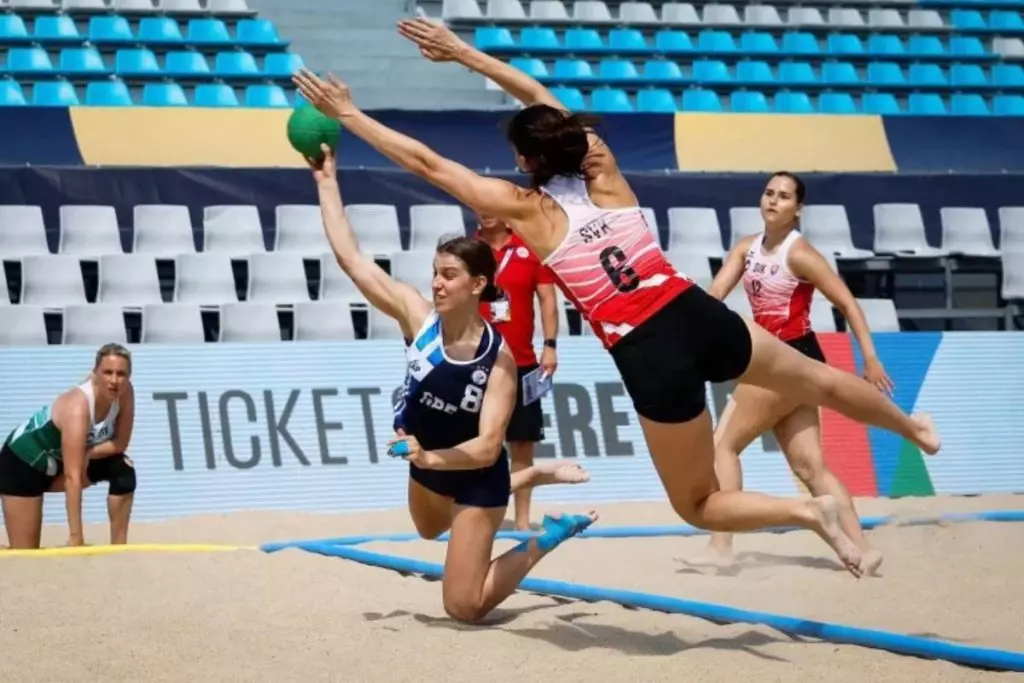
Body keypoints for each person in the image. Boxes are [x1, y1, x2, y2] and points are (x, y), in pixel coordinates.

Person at [292, 19, 940, 577]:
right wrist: (464, 54)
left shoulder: (530, 210)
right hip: (693, 307)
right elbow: (544, 100)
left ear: (525, 161)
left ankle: (810, 510)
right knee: (822, 380)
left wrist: (350, 116)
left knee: (697, 502)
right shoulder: (603, 168)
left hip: (648, 347)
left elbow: (430, 165)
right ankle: (915, 427)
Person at [306, 142, 594, 622]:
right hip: (429, 464)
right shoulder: (418, 319)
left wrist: (427, 456)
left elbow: (484, 449)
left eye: (449, 275)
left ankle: (546, 538)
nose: (437, 284)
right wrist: (326, 182)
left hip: (475, 473)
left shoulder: (497, 360)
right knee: (425, 529)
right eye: (435, 274)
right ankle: (536, 475)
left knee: (464, 607)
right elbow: (351, 259)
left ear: (478, 284)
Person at [694, 171, 893, 575]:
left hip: (782, 360)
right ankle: (864, 549)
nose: (773, 201)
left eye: (784, 197)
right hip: (796, 361)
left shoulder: (799, 253)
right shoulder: (746, 248)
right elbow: (713, 298)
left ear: (798, 210)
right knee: (810, 467)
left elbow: (848, 304)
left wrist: (870, 358)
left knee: (722, 447)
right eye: (769, 193)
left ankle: (720, 546)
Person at [474, 213, 567, 530]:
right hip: (479, 361)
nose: (484, 212)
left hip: (523, 361)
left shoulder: (530, 247)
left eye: (490, 206)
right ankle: (479, 516)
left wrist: (550, 345)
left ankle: (523, 522)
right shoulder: (469, 249)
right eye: (478, 206)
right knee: (479, 441)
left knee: (523, 443)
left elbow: (547, 300)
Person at [0, 343, 137, 549]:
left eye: (121, 374)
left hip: (59, 461)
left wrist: (89, 453)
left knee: (123, 469)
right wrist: (76, 537)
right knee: (25, 552)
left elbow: (119, 444)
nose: (114, 381)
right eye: (107, 372)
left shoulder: (125, 393)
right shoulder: (78, 407)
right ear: (96, 373)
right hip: (23, 462)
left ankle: (119, 548)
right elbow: (73, 478)